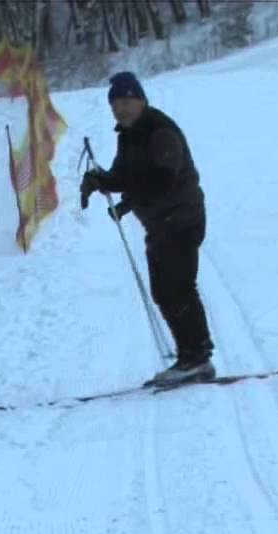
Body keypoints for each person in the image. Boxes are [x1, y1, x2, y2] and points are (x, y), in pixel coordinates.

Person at [81, 71, 215, 385]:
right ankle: (192, 356)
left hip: (181, 218)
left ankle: (196, 358)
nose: (121, 109)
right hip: (160, 222)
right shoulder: (129, 134)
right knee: (164, 291)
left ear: (141, 100)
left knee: (177, 288)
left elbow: (162, 180)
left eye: (127, 102)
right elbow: (123, 174)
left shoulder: (160, 131)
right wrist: (100, 181)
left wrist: (122, 192)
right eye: (115, 104)